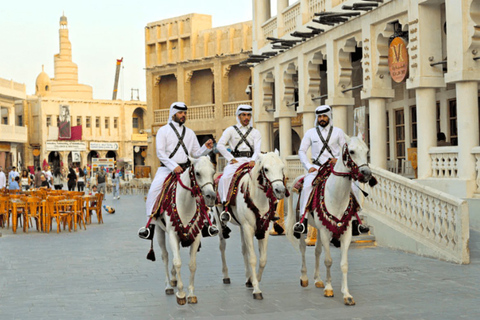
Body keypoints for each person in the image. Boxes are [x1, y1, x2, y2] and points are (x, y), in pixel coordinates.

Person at [140, 102, 214, 238]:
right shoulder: (163, 131)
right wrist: (173, 166)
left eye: (185, 113)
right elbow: (160, 153)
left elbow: (196, 153)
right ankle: (149, 225)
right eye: (180, 113)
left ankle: (207, 223)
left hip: (186, 169)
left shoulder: (190, 133)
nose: (183, 115)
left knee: (202, 188)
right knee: (154, 190)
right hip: (166, 169)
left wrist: (205, 148)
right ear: (173, 114)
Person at [296, 105, 346, 232]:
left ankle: (357, 221)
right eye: (319, 117)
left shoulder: (338, 132)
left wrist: (339, 160)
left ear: (329, 116)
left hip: (335, 169)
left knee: (352, 185)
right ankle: (303, 220)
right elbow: (301, 151)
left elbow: (346, 151)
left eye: (324, 116)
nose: (322, 119)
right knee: (307, 186)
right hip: (317, 168)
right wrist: (308, 167)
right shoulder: (310, 133)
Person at [216, 104, 261, 221]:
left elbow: (257, 150)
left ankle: (271, 208)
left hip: (251, 161)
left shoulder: (255, 132)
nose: (246, 117)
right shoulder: (230, 130)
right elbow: (220, 145)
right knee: (225, 178)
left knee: (267, 177)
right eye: (244, 115)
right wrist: (230, 158)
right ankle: (225, 207)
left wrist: (253, 160)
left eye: (248, 115)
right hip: (236, 162)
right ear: (238, 116)